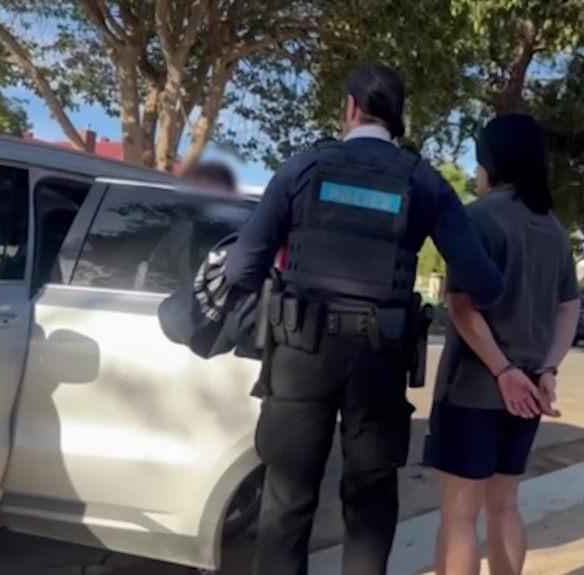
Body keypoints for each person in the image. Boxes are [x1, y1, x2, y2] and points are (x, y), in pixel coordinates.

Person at [222, 63, 504, 575]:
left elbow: (242, 267)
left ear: (350, 108)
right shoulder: (425, 184)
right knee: (369, 505)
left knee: (286, 502)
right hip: (379, 361)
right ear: (399, 119)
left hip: (299, 355)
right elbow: (485, 283)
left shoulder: (302, 169)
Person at [423, 113, 582, 575]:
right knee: (505, 507)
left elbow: (462, 307)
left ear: (493, 162)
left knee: (458, 516)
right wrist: (547, 370)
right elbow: (569, 308)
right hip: (528, 393)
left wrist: (500, 371)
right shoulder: (554, 232)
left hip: (472, 388)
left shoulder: (476, 219)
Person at [140, 161, 238, 290]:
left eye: (213, 193)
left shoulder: (245, 235)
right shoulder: (180, 232)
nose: (206, 198)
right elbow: (155, 274)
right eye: (201, 192)